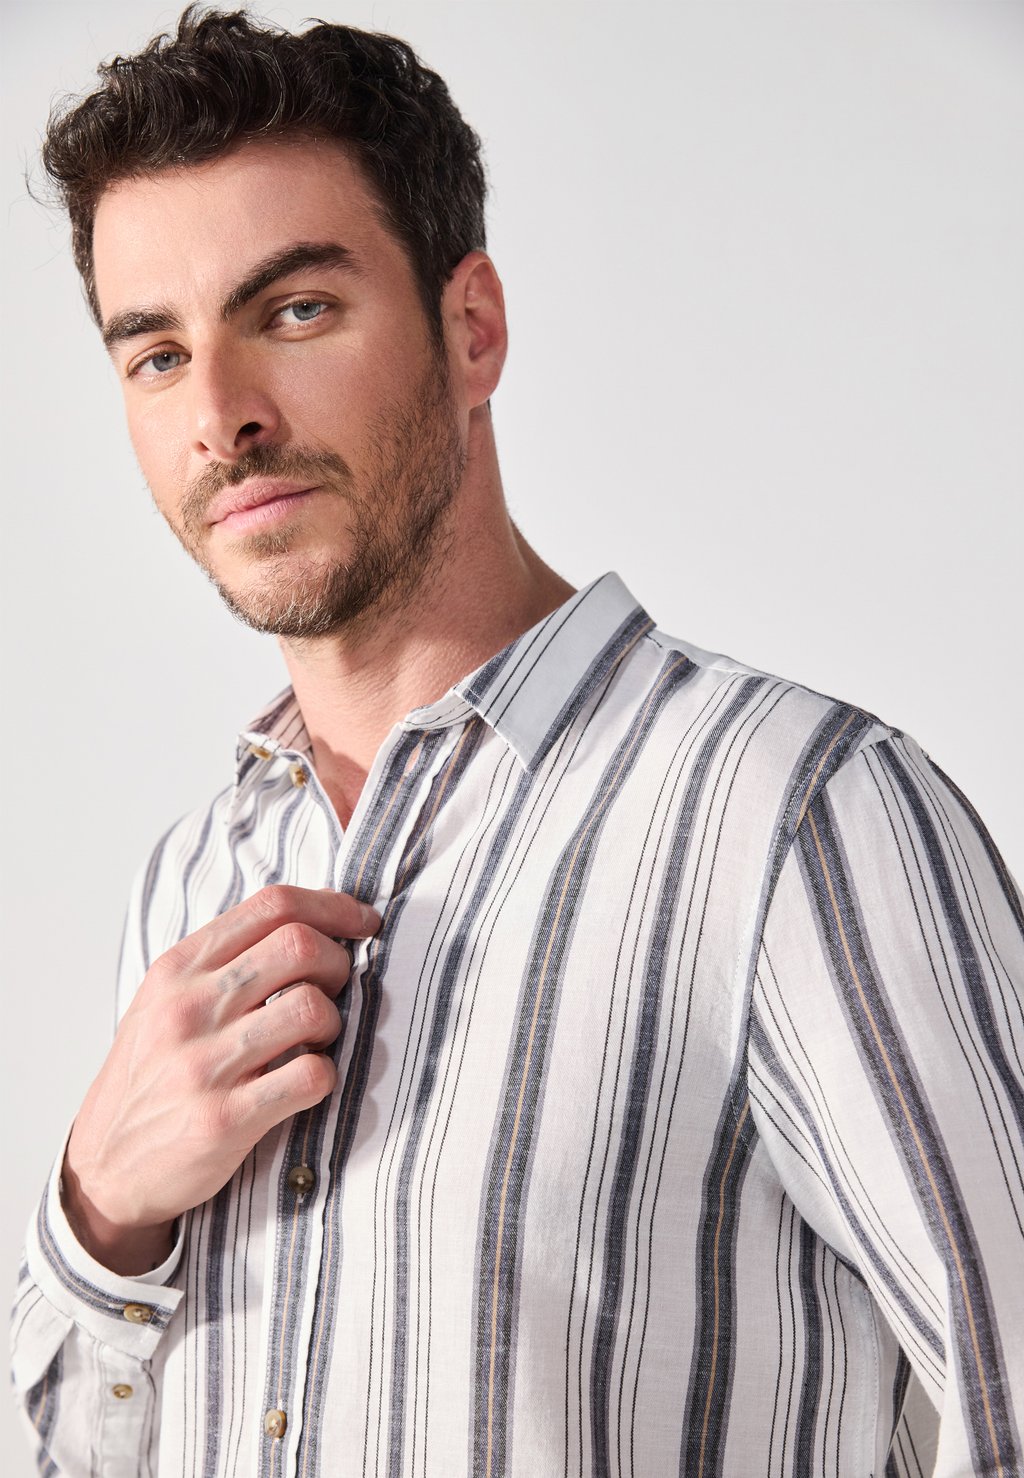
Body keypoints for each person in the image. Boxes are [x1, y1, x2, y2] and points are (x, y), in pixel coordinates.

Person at [11, 6, 1023, 1475]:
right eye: (157, 355)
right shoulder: (189, 883)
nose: (221, 417)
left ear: (471, 328)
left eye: (294, 312)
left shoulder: (791, 815)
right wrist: (97, 1215)